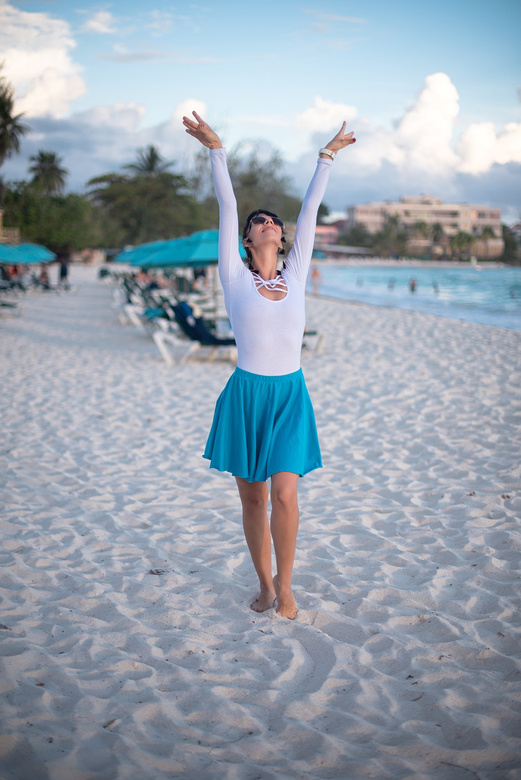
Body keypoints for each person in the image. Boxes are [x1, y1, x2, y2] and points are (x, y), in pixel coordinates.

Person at [183, 110, 356, 619]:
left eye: (274, 222)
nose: (269, 223)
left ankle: (287, 584)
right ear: (247, 240)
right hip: (246, 395)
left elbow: (311, 206)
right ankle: (263, 584)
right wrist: (217, 150)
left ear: (281, 240)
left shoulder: (297, 272)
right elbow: (227, 203)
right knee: (253, 501)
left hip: (289, 394)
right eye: (259, 222)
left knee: (285, 494)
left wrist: (327, 156)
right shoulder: (234, 277)